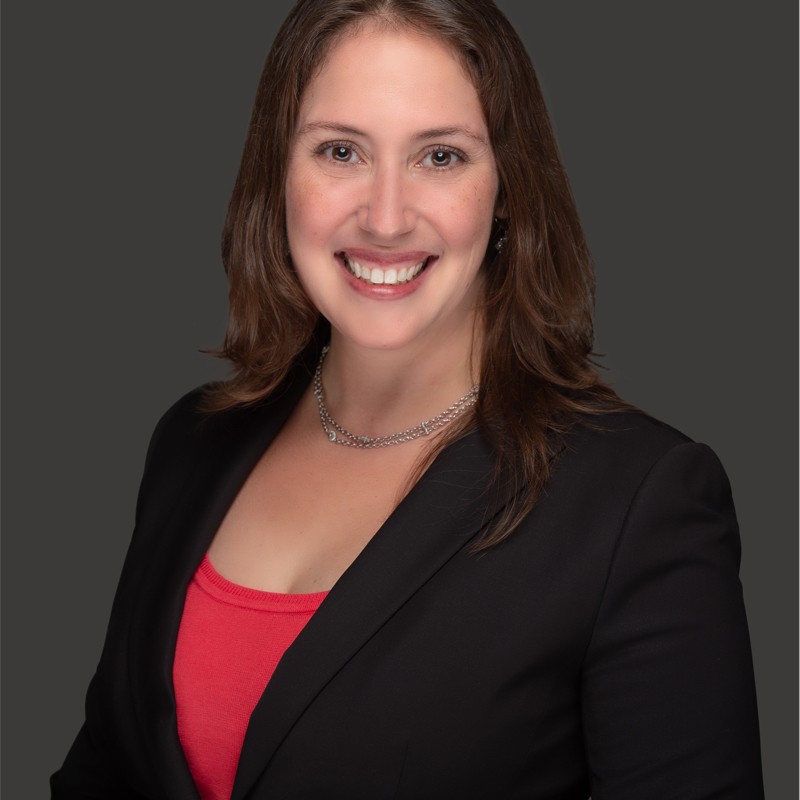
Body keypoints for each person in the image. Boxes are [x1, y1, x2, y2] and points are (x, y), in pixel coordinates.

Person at [50, 0, 764, 797]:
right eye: (341, 150)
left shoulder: (640, 501)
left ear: (507, 190)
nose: (386, 218)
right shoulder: (193, 440)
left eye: (441, 158)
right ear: (276, 173)